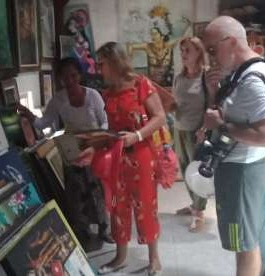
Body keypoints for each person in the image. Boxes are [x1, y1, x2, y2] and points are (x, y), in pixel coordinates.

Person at [75, 41, 166, 275]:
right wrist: (92, 149)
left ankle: (154, 258)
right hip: (116, 159)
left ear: (115, 62)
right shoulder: (108, 93)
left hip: (142, 157)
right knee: (117, 207)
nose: (98, 69)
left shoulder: (140, 84)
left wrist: (136, 135)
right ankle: (121, 256)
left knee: (146, 206)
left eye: (102, 64)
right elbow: (111, 133)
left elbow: (159, 117)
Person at [200, 16, 265, 276]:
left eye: (212, 50)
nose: (211, 58)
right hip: (237, 168)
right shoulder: (244, 73)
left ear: (231, 42)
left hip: (242, 171)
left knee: (244, 242)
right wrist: (214, 94)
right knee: (243, 240)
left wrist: (221, 126)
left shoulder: (252, 80)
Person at [17, 57, 112, 246]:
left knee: (98, 191)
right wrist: (28, 114)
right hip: (72, 148)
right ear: (59, 78)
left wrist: (98, 139)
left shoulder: (93, 96)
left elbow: (105, 121)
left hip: (95, 146)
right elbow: (44, 123)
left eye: (73, 75)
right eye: (64, 77)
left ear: (79, 75)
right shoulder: (58, 100)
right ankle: (82, 232)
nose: (69, 80)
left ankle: (104, 229)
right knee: (76, 193)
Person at [172, 37, 211, 232]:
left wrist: (204, 129)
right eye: (182, 51)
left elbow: (211, 106)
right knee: (185, 171)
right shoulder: (179, 77)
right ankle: (193, 204)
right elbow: (175, 102)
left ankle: (199, 212)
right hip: (178, 128)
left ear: (198, 53)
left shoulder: (205, 77)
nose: (184, 55)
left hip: (197, 132)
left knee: (197, 172)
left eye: (188, 50)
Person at [127, 5, 190, 87]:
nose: (152, 37)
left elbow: (183, 38)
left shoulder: (169, 45)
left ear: (162, 36)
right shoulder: (147, 46)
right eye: (151, 34)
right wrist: (129, 64)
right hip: (152, 85)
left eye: (155, 34)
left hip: (168, 84)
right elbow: (130, 46)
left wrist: (187, 25)